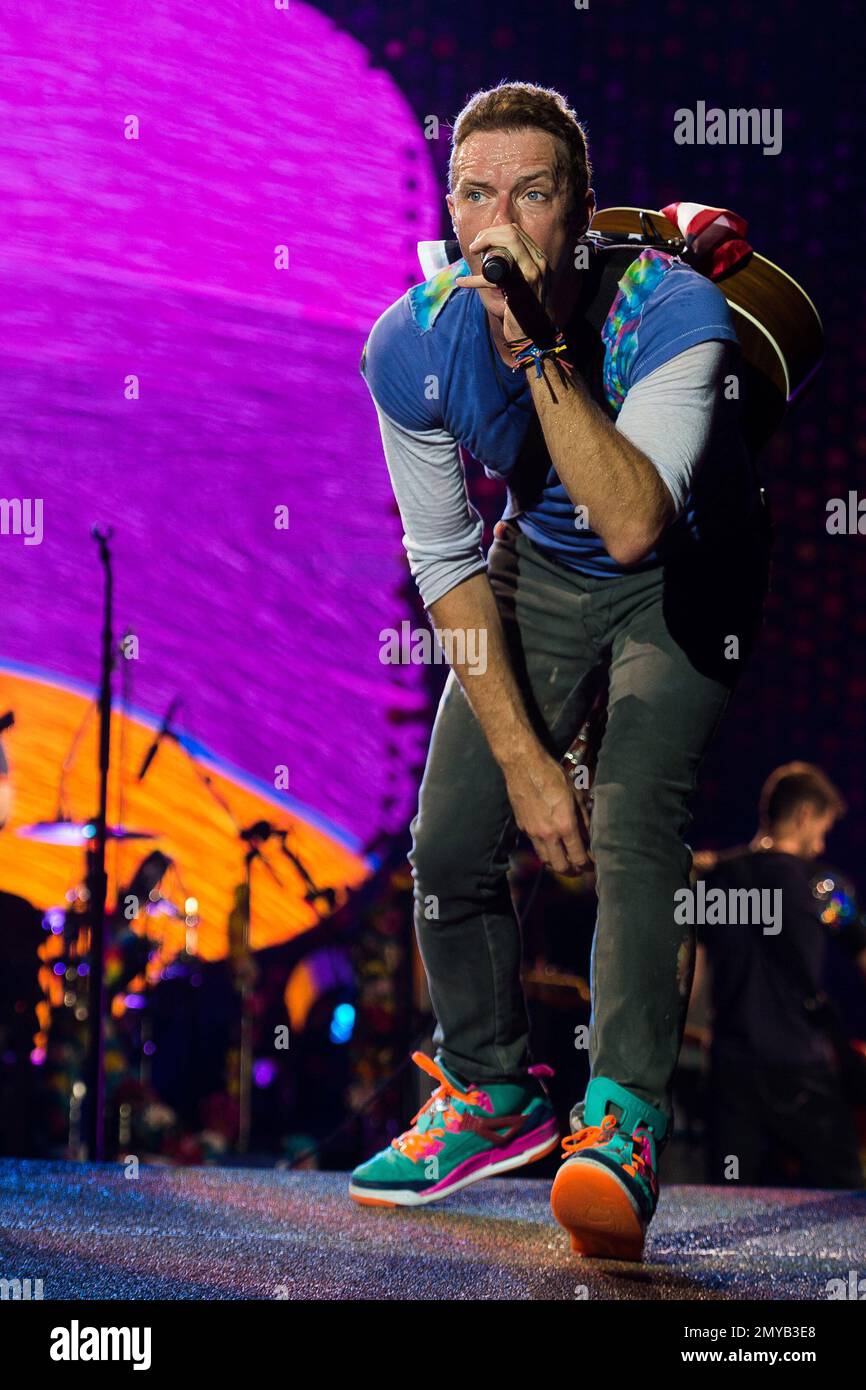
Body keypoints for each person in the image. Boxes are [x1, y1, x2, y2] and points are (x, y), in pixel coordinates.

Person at [350, 80, 770, 1260]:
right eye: (475, 194)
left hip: (687, 567)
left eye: (529, 195)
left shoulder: (671, 311)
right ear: (448, 210)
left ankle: (621, 1123)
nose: (499, 222)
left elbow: (635, 520)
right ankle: (488, 1090)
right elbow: (442, 559)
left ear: (575, 216)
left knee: (634, 815)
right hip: (536, 563)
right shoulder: (409, 345)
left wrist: (535, 345)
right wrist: (529, 765)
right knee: (449, 836)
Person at [693, 762, 866, 1187]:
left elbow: (689, 971)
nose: (821, 844)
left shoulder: (715, 878)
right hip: (800, 1071)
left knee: (728, 1201)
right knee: (844, 1200)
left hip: (731, 1070)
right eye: (822, 829)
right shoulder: (823, 887)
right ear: (805, 815)